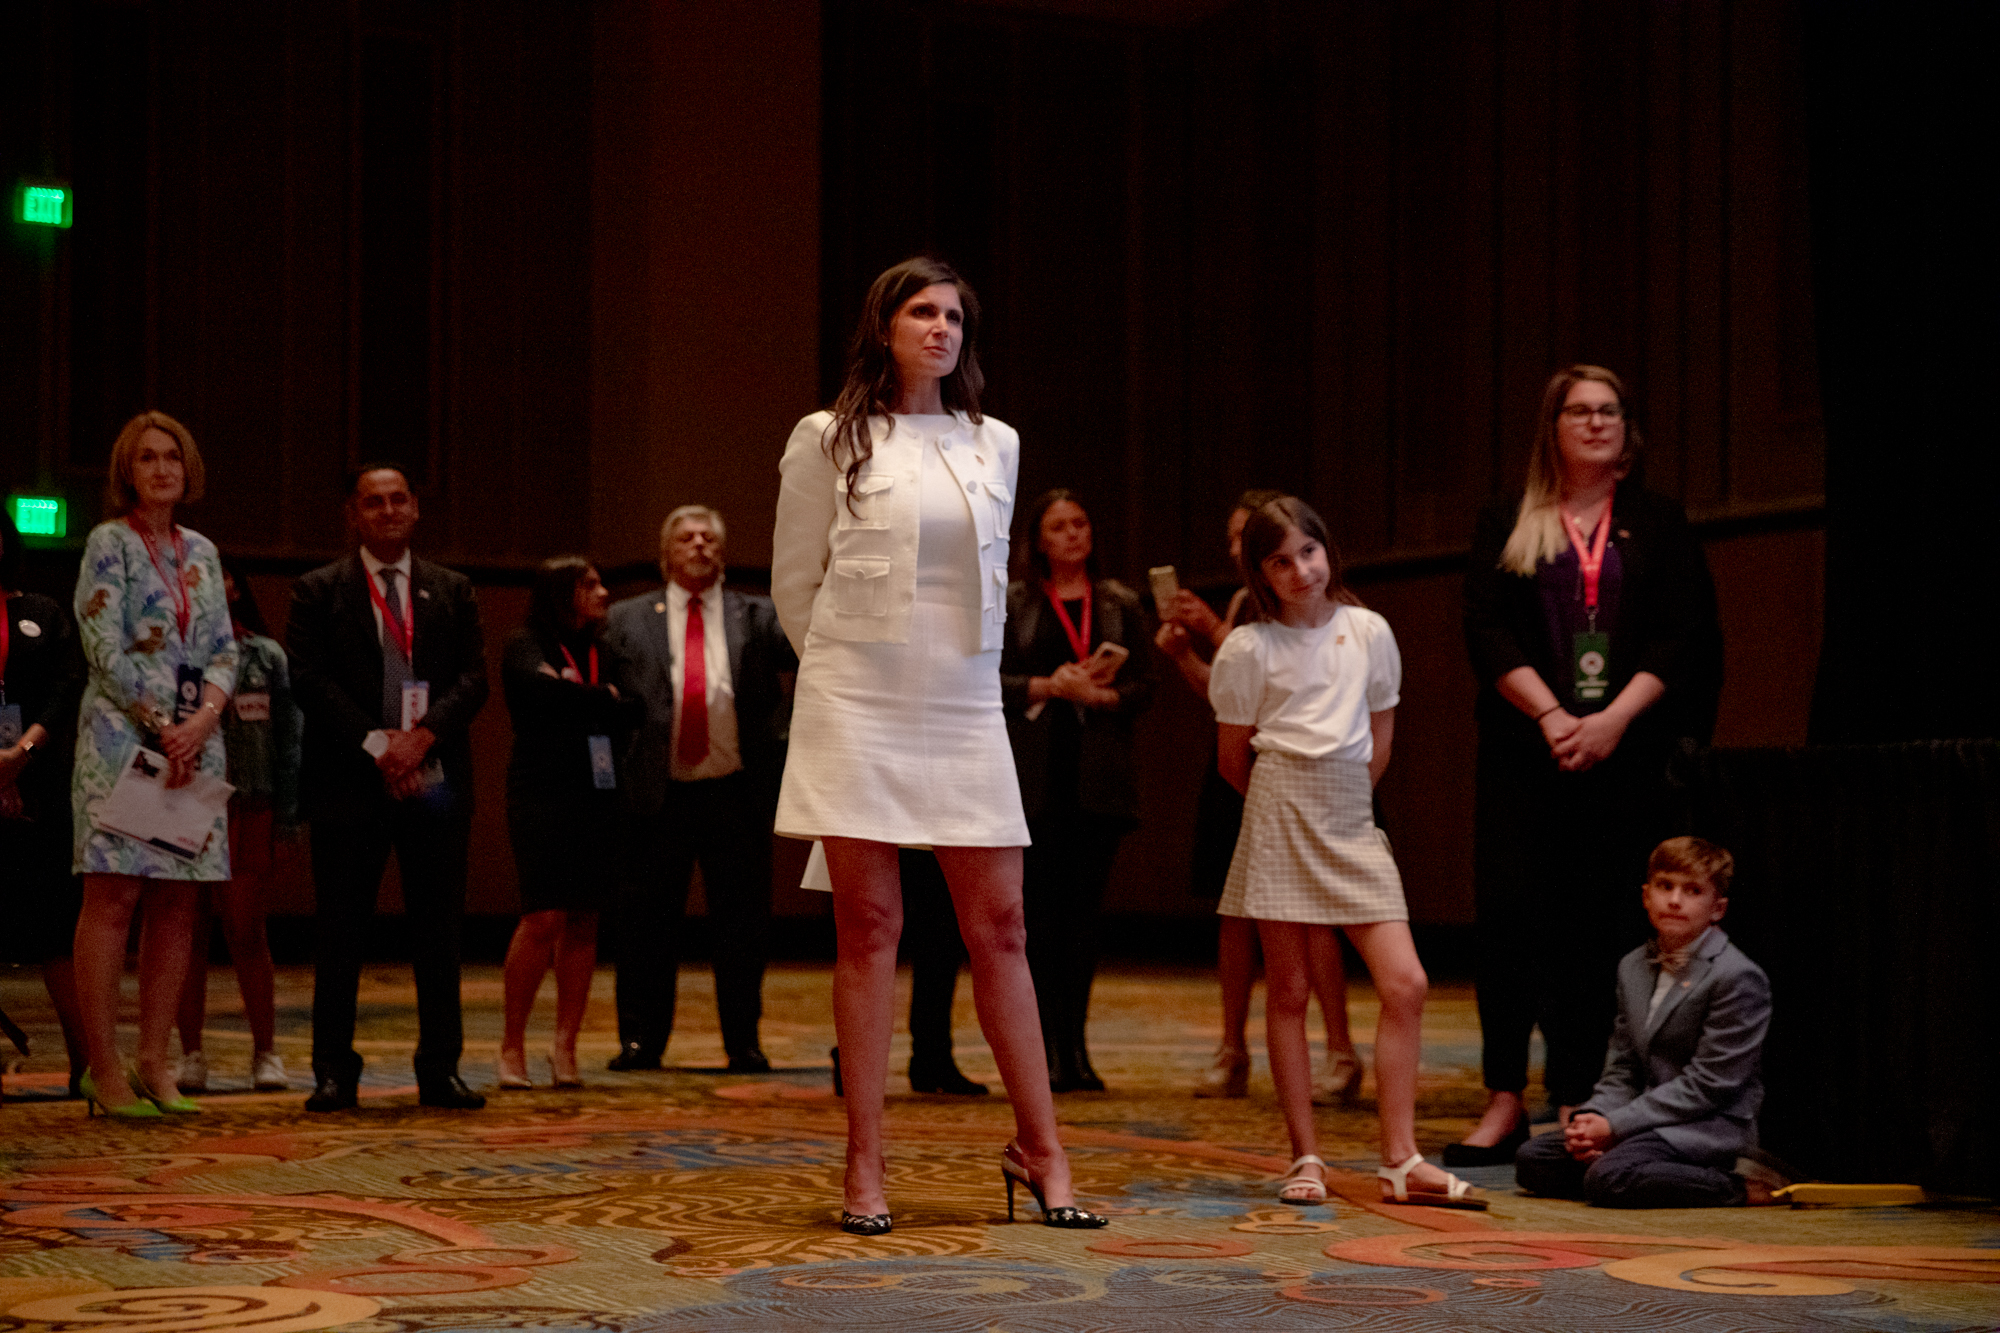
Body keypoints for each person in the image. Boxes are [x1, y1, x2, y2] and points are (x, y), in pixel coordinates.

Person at [771, 256, 1104, 1234]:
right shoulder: (826, 438)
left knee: (1000, 926)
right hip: (858, 695)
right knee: (868, 930)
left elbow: (993, 581)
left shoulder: (991, 441)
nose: (940, 328)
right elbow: (796, 586)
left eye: (954, 314)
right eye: (921, 311)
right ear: (884, 326)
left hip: (960, 703)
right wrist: (841, 675)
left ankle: (1042, 1148)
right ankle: (863, 1162)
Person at [1454, 366, 1723, 1166]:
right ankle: (1504, 1093)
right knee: (1509, 916)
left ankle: (1582, 1089)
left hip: (1624, 754)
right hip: (1524, 754)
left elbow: (1682, 635)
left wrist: (1608, 720)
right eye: (1580, 411)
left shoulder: (1657, 521)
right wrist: (1553, 714)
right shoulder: (1509, 516)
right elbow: (1485, 631)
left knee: (1599, 923)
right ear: (1554, 427)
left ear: (1626, 430)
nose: (1597, 422)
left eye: (1610, 411)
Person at [1210, 496, 1483, 1210]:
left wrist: (1345, 803)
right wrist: (1288, 803)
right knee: (1292, 989)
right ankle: (1305, 1155)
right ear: (1260, 573)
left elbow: (1380, 734)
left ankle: (1400, 1157)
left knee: (1406, 982)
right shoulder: (1248, 646)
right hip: (1278, 808)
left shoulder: (1368, 631)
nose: (1300, 569)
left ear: (1328, 550)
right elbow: (1232, 760)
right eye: (1280, 559)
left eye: (1309, 551)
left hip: (1350, 811)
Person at [288, 462, 489, 1112]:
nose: (388, 510)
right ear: (353, 514)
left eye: (398, 498)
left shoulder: (452, 589)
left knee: (439, 928)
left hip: (433, 778)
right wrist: (380, 746)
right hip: (350, 781)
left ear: (415, 509)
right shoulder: (319, 591)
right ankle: (333, 1071)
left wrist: (420, 738)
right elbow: (310, 681)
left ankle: (441, 1069)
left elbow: (473, 679)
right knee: (341, 929)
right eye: (373, 502)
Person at [1155, 490, 1360, 1105]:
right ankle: (1232, 1050)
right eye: (1238, 541)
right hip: (1244, 775)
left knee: (1317, 918)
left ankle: (1342, 1053)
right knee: (1236, 914)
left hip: (1319, 781)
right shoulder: (1246, 607)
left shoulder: (1341, 617)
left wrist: (1214, 631)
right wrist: (1189, 655)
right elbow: (1230, 704)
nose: (1245, 549)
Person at [69, 411, 239, 1117]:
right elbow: (101, 644)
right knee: (114, 897)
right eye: (147, 458)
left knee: (178, 902)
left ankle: (154, 1062)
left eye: (172, 456)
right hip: (124, 740)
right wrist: (162, 724)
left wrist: (200, 722)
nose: (162, 467)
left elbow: (227, 649)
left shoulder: (202, 550)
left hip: (194, 742)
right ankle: (103, 1067)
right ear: (127, 472)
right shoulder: (110, 541)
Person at [602, 506, 795, 1073]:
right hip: (655, 793)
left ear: (723, 553)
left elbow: (812, 653)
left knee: (742, 926)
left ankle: (743, 1041)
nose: (699, 546)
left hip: (735, 792)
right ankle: (641, 1041)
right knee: (645, 924)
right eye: (686, 538)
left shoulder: (757, 616)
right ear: (666, 553)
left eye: (710, 538)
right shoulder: (626, 618)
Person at [1515, 836, 1775, 1207]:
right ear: (1645, 896)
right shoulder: (1633, 966)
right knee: (1533, 1160)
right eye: (1665, 886)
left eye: (1692, 891)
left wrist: (1617, 1127)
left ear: (1717, 908)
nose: (1674, 900)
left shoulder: (1736, 977)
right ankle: (1633, 1167)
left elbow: (1708, 1085)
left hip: (1703, 1125)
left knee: (1610, 1178)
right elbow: (1623, 1065)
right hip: (1643, 1119)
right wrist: (1592, 1119)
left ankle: (1736, 1187)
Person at [1000, 489, 1153, 1092]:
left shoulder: (1118, 602)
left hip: (1098, 784)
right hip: (1033, 782)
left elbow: (1145, 689)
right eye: (1059, 527)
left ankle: (1077, 1050)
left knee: (1083, 921)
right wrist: (1045, 684)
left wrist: (1103, 696)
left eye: (1081, 523)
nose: (1072, 534)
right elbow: (989, 681)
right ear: (1038, 540)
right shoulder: (1015, 604)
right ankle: (1044, 1055)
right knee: (1037, 921)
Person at [497, 558, 642, 1089]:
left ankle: (565, 1048)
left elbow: (637, 709)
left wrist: (584, 697)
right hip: (541, 792)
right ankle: (512, 1045)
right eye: (589, 585)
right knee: (543, 915)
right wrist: (600, 699)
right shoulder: (524, 642)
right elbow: (534, 692)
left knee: (585, 918)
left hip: (599, 794)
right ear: (561, 594)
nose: (603, 592)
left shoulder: (605, 650)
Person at [174, 560, 301, 1093]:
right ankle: (191, 1055)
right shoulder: (173, 653)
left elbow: (289, 742)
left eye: (222, 576)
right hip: (185, 804)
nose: (213, 585)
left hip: (250, 804)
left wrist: (287, 816)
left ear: (235, 588)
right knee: (187, 932)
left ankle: (266, 1053)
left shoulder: (265, 656)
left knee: (248, 931)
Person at [0, 511, 88, 1097]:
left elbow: (66, 688)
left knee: (58, 932)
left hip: (41, 788)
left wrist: (20, 754)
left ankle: (90, 1062)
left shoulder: (42, 613)